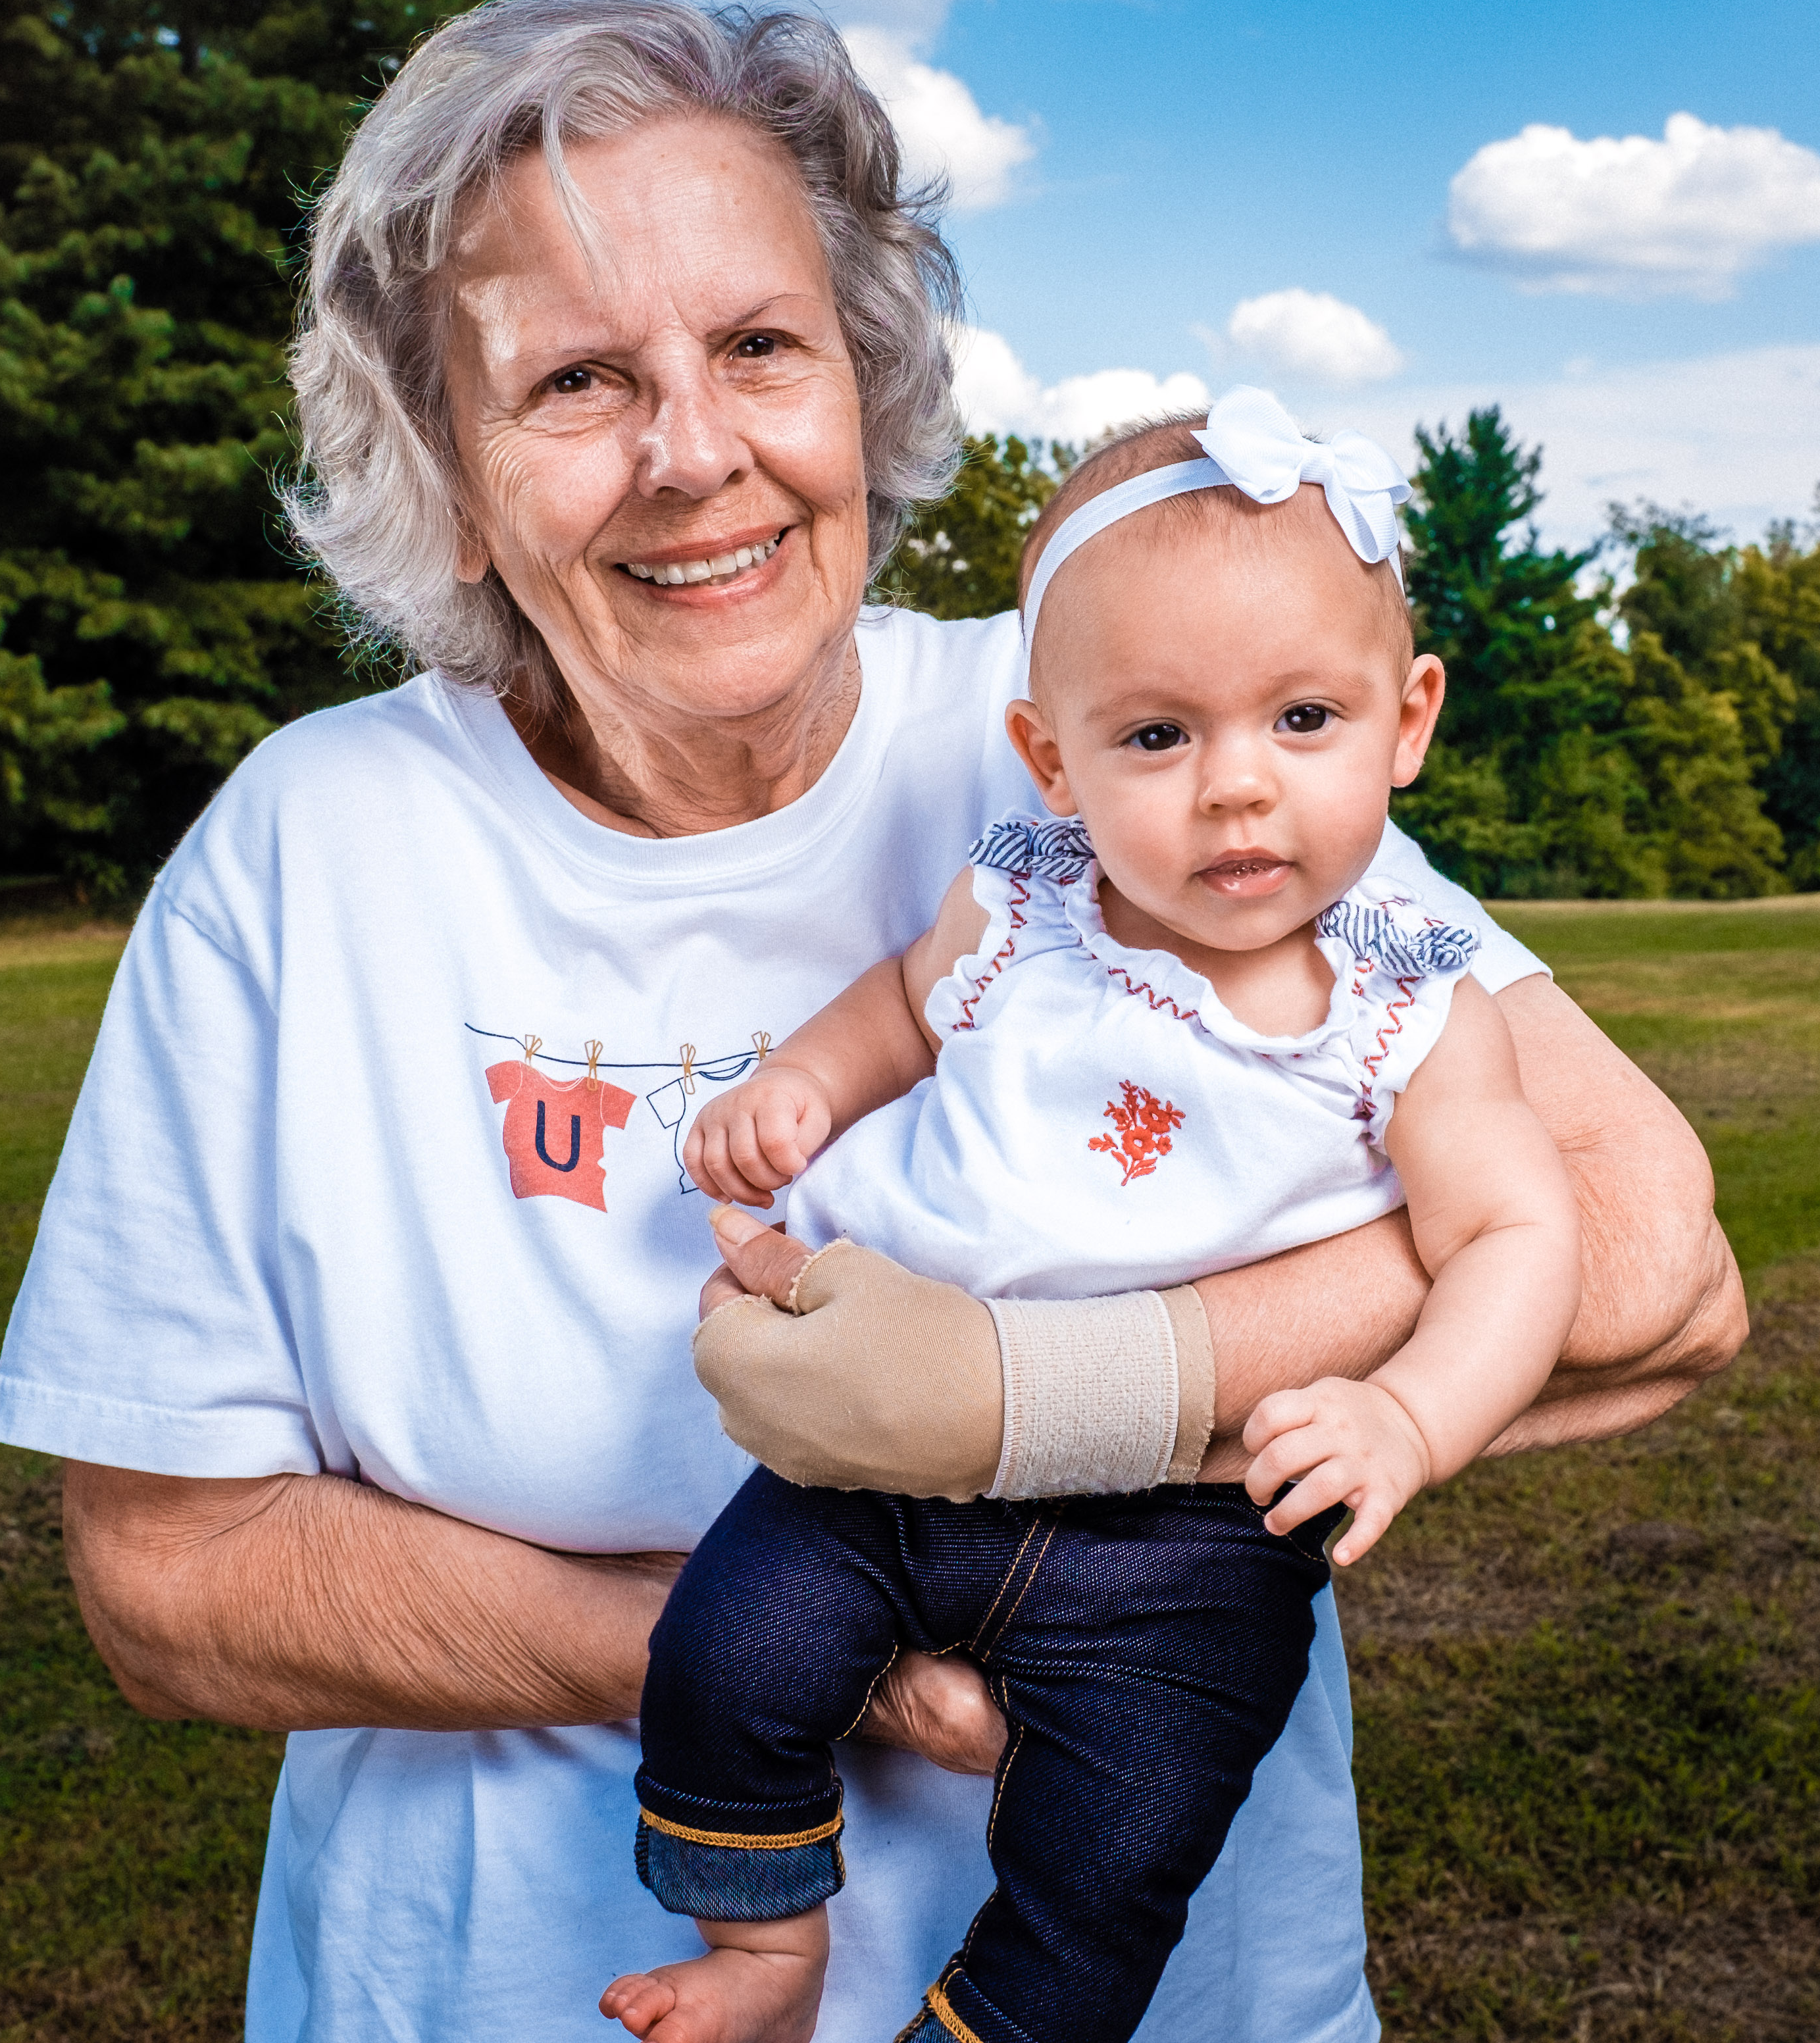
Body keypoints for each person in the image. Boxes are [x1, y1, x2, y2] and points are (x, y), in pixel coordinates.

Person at [0, 0, 1747, 2043]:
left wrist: (1037, 1397)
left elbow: (1651, 1260)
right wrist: (774, 1646)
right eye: (573, 383)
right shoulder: (309, 853)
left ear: (863, 377)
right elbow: (170, 1578)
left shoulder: (1147, 717)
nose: (694, 455)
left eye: (757, 349)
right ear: (448, 473)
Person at [605, 394, 1582, 2043]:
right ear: (1051, 758)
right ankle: (765, 1947)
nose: (1236, 792)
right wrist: (806, 1090)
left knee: (1118, 1850)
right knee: (725, 1654)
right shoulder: (1020, 905)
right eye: (1157, 738)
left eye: (1302, 719)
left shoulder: (1411, 1010)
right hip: (895, 1467)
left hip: (1193, 1535)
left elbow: (1520, 1238)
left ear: (1408, 720)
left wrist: (1408, 1418)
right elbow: (902, 1012)